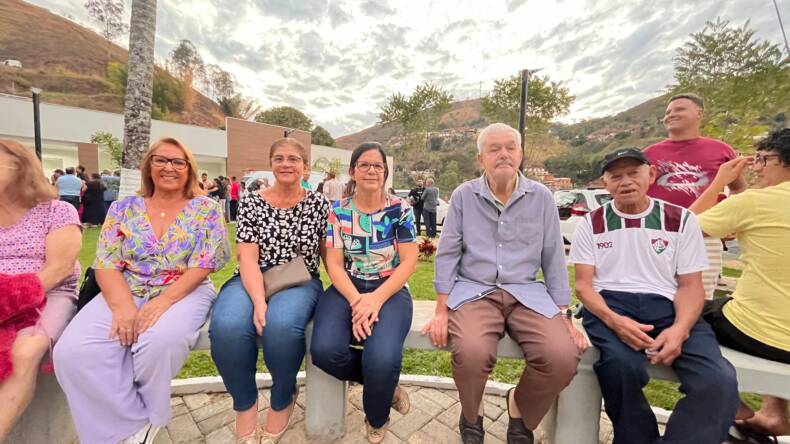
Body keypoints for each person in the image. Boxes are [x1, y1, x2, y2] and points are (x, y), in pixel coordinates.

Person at [53, 137, 230, 444]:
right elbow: (106, 262)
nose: (169, 167)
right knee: (71, 353)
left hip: (184, 289)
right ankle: (131, 421)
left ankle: (150, 419)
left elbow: (205, 263)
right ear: (149, 166)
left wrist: (163, 302)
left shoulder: (206, 209)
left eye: (178, 162)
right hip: (126, 286)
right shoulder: (123, 209)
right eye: (161, 160)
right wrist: (123, 308)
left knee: (158, 342)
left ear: (189, 169)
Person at [423, 123, 584, 444]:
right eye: (494, 149)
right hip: (474, 291)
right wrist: (441, 310)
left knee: (561, 356)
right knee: (471, 352)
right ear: (480, 159)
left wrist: (563, 313)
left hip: (526, 292)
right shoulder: (464, 196)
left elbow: (554, 256)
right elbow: (448, 252)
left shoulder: (541, 197)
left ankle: (520, 407)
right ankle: (472, 413)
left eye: (511, 147)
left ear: (520, 155)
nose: (504, 154)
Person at [569, 148, 739, 444]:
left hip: (670, 307)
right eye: (616, 176)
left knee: (718, 380)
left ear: (651, 174)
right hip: (610, 304)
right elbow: (584, 286)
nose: (626, 181)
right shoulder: (592, 223)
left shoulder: (680, 219)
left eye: (633, 173)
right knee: (620, 367)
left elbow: (690, 286)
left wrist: (680, 329)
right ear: (605, 183)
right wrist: (615, 321)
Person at [210, 138, 330, 444]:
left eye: (293, 159)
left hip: (300, 279)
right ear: (271, 164)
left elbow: (328, 254)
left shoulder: (319, 204)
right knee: (227, 326)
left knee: (281, 326)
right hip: (253, 275)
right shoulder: (252, 202)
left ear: (305, 166)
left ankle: (282, 398)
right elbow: (247, 257)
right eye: (279, 158)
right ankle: (245, 406)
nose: (286, 164)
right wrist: (258, 301)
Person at [310, 142, 418, 444]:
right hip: (348, 287)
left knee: (381, 359)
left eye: (378, 166)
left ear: (385, 172)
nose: (372, 170)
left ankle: (377, 416)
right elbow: (333, 264)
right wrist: (358, 301)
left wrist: (375, 299)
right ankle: (386, 386)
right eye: (364, 165)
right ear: (352, 171)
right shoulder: (337, 211)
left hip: (390, 289)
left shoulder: (400, 210)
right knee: (324, 351)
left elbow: (409, 261)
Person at [689, 128, 790, 439]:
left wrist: (719, 182)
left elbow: (680, 231)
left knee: (672, 311)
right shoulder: (753, 203)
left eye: (762, 159)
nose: (756, 167)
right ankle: (774, 414)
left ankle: (732, 404)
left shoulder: (754, 202)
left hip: (759, 333)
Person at [0, 139, 82, 442]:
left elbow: (59, 269)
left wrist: (10, 299)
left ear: (20, 166)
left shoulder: (56, 211)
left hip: (49, 295)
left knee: (24, 352)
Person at [644, 94, 747, 300]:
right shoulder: (648, 154)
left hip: (704, 238)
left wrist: (733, 222)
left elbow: (739, 190)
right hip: (658, 237)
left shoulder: (722, 150)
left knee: (698, 301)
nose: (670, 115)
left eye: (679, 109)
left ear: (699, 113)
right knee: (654, 297)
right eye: (668, 112)